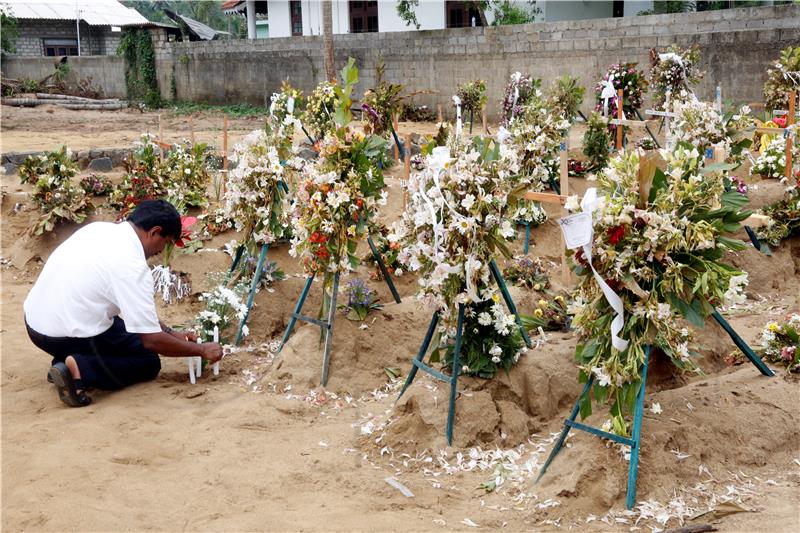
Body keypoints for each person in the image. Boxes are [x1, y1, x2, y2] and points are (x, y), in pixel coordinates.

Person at [23, 199, 222, 407]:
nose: (162, 251)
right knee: (148, 362)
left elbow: (141, 320)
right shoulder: (132, 266)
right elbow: (152, 340)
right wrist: (202, 350)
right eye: (166, 242)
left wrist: (171, 333)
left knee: (127, 335)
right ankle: (80, 370)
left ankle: (63, 361)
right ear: (154, 232)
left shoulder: (98, 229)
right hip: (62, 334)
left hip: (35, 323)